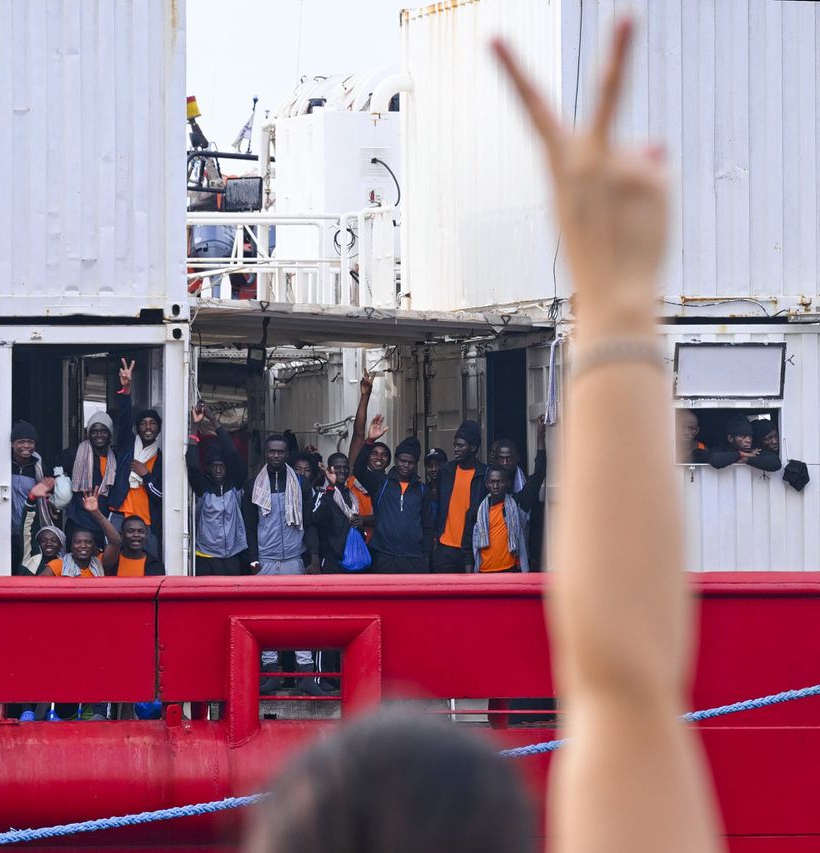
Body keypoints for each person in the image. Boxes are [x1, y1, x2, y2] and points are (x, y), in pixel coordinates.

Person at [249, 19, 724, 853]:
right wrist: (614, 297)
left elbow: (627, 694)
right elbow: (629, 688)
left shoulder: (443, 487)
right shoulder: (396, 486)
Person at [243, 434, 323, 694]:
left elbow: (310, 523)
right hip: (265, 560)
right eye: (272, 452)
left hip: (292, 559)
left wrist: (311, 558)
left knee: (301, 617)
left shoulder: (300, 483)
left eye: (281, 452)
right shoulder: (254, 484)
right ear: (265, 454)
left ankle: (306, 674)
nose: (276, 456)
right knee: (265, 617)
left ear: (287, 454)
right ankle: (271, 673)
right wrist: (253, 559)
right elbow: (249, 525)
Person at [63, 359, 138, 548]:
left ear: (110, 434)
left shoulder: (117, 455)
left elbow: (126, 424)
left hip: (105, 521)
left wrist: (126, 392)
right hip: (78, 521)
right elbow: (50, 470)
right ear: (88, 433)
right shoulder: (75, 453)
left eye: (103, 431)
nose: (98, 435)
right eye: (94, 431)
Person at [352, 417, 434, 573]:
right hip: (385, 556)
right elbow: (358, 470)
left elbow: (427, 526)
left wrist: (426, 557)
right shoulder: (380, 483)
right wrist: (369, 441)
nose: (406, 465)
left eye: (410, 462)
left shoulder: (422, 490)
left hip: (414, 558)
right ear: (396, 460)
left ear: (416, 464)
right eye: (402, 461)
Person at [107, 360, 163, 556]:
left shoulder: (161, 458)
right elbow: (124, 419)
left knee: (149, 565)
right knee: (114, 562)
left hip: (146, 521)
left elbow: (162, 496)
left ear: (158, 429)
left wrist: (146, 476)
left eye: (153, 424)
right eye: (143, 424)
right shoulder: (127, 446)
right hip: (119, 515)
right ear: (138, 428)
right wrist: (126, 389)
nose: (148, 427)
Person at [186, 403, 249, 576]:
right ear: (208, 468)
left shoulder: (235, 483)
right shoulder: (203, 487)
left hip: (233, 554)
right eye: (214, 466)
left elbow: (232, 454)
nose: (219, 470)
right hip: (205, 555)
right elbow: (191, 463)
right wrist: (195, 426)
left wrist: (213, 419)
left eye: (222, 466)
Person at [432, 420, 486, 573]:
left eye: (461, 446)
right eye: (455, 444)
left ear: (473, 448)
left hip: (472, 548)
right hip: (445, 548)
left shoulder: (484, 474)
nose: (455, 449)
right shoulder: (446, 470)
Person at [10, 420, 56, 573]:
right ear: (12, 444)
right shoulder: (3, 464)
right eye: (21, 441)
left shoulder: (39, 467)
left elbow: (48, 494)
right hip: (5, 528)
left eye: (30, 442)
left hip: (29, 529)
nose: (26, 446)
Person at [345, 373, 388, 534]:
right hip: (354, 545)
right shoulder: (353, 476)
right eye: (374, 453)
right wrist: (365, 396)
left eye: (384, 455)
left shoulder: (389, 484)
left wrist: (365, 520)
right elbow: (358, 434)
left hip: (378, 544)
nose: (378, 457)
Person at [39, 495, 120, 577]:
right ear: (71, 546)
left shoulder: (101, 562)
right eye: (77, 542)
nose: (83, 546)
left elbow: (115, 542)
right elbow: (39, 585)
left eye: (88, 542)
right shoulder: (58, 565)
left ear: (93, 546)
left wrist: (96, 513)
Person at [468, 467, 529, 573]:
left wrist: (540, 450)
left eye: (499, 482)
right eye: (492, 482)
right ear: (487, 484)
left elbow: (536, 480)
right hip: (484, 572)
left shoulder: (514, 505)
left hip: (509, 570)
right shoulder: (477, 511)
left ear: (507, 483)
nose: (495, 486)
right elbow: (467, 544)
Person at [313, 453, 364, 573]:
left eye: (345, 467)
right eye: (337, 467)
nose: (342, 471)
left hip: (353, 557)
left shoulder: (350, 494)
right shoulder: (324, 493)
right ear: (329, 469)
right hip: (332, 561)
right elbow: (316, 518)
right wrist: (330, 488)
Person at [492, 420, 548, 515]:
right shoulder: (485, 494)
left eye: (508, 458)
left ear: (517, 459)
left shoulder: (522, 496)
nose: (504, 463)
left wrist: (540, 437)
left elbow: (539, 473)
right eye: (501, 458)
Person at [708, 414, 781, 472]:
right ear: (730, 438)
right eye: (743, 436)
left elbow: (776, 463)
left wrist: (747, 459)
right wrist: (741, 454)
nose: (748, 440)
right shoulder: (721, 449)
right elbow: (715, 460)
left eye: (750, 436)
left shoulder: (754, 451)